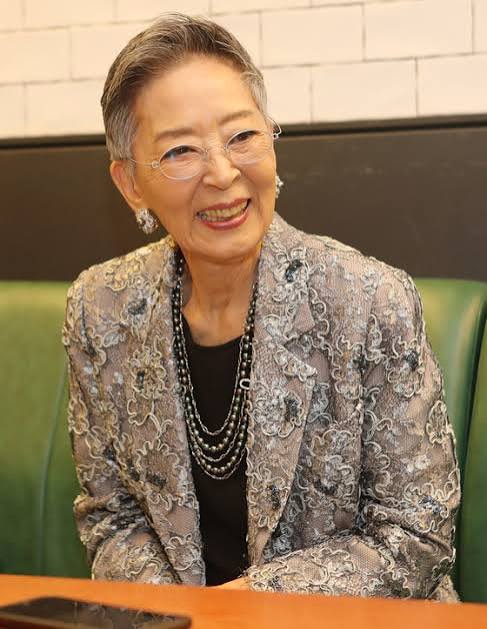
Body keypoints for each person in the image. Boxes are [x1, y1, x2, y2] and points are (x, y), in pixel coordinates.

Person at [62, 12, 460, 599]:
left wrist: (242, 607)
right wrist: (184, 613)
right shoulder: (100, 310)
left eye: (242, 137)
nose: (223, 174)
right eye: (180, 151)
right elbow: (111, 517)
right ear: (130, 184)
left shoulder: (370, 301)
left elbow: (416, 534)